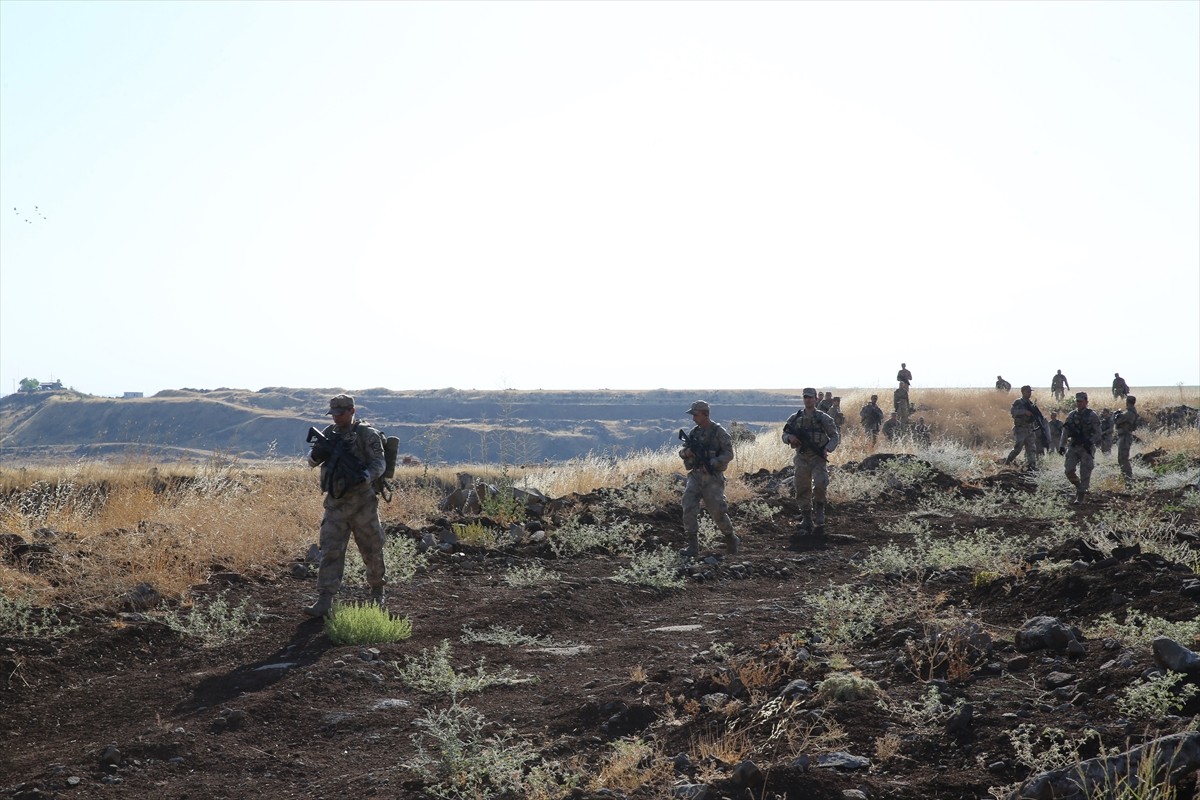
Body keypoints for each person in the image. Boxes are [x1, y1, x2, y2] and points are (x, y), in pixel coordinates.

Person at [304, 394, 388, 617]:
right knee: (330, 549)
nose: (336, 419)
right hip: (336, 503)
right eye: (333, 414)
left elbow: (380, 463)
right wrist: (317, 454)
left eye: (340, 414)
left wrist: (366, 476)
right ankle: (325, 599)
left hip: (363, 504)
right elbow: (310, 463)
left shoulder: (367, 435)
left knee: (372, 549)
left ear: (352, 411)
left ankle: (377, 592)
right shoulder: (329, 434)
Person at [679, 400, 739, 557]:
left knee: (717, 510)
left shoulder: (719, 432)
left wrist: (713, 463)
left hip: (712, 478)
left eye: (696, 415)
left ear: (706, 414)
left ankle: (731, 538)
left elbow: (728, 454)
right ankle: (692, 547)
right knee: (688, 505)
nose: (693, 419)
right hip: (695, 476)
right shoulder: (694, 433)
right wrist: (687, 453)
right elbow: (683, 451)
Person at [783, 388, 840, 535]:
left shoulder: (823, 418)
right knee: (802, 487)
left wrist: (827, 448)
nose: (808, 400)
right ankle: (806, 518)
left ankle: (819, 511)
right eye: (805, 397)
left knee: (821, 483)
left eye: (810, 397)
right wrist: (790, 438)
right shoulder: (795, 417)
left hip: (818, 458)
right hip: (802, 457)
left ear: (816, 399)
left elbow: (834, 436)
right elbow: (785, 433)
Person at [1058, 392, 1102, 504]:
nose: (1079, 403)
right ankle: (1079, 486)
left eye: (1081, 401)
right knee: (1068, 470)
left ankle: (1081, 494)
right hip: (1073, 445)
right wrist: (1062, 445)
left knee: (1085, 471)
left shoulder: (1092, 415)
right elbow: (1065, 430)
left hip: (1086, 447)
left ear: (1086, 402)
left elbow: (1098, 433)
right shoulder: (1072, 415)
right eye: (1077, 401)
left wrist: (1090, 442)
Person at [1005, 385, 1042, 469]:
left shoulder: (1030, 403)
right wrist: (1024, 412)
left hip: (1030, 429)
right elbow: (1013, 412)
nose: (1029, 393)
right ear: (1023, 392)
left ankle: (1032, 466)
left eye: (1030, 392)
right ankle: (1008, 462)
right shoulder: (1018, 402)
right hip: (1020, 429)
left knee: (1031, 448)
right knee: (1018, 447)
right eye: (1028, 391)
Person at [1113, 395, 1140, 481]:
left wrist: (1116, 415)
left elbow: (1117, 421)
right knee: (1122, 458)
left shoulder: (1129, 413)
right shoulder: (1131, 412)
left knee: (1123, 458)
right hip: (1125, 436)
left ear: (1128, 402)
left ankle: (1128, 478)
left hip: (1125, 437)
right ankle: (1126, 477)